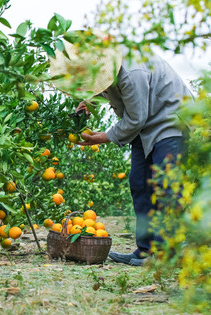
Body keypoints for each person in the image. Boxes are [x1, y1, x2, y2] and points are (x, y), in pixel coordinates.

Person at [49, 30, 192, 266]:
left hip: (170, 120)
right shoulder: (105, 64)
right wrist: (89, 100)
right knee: (140, 184)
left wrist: (103, 137)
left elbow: (136, 118)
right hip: (146, 126)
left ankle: (168, 254)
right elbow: (110, 88)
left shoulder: (132, 71)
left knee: (165, 187)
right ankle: (145, 252)